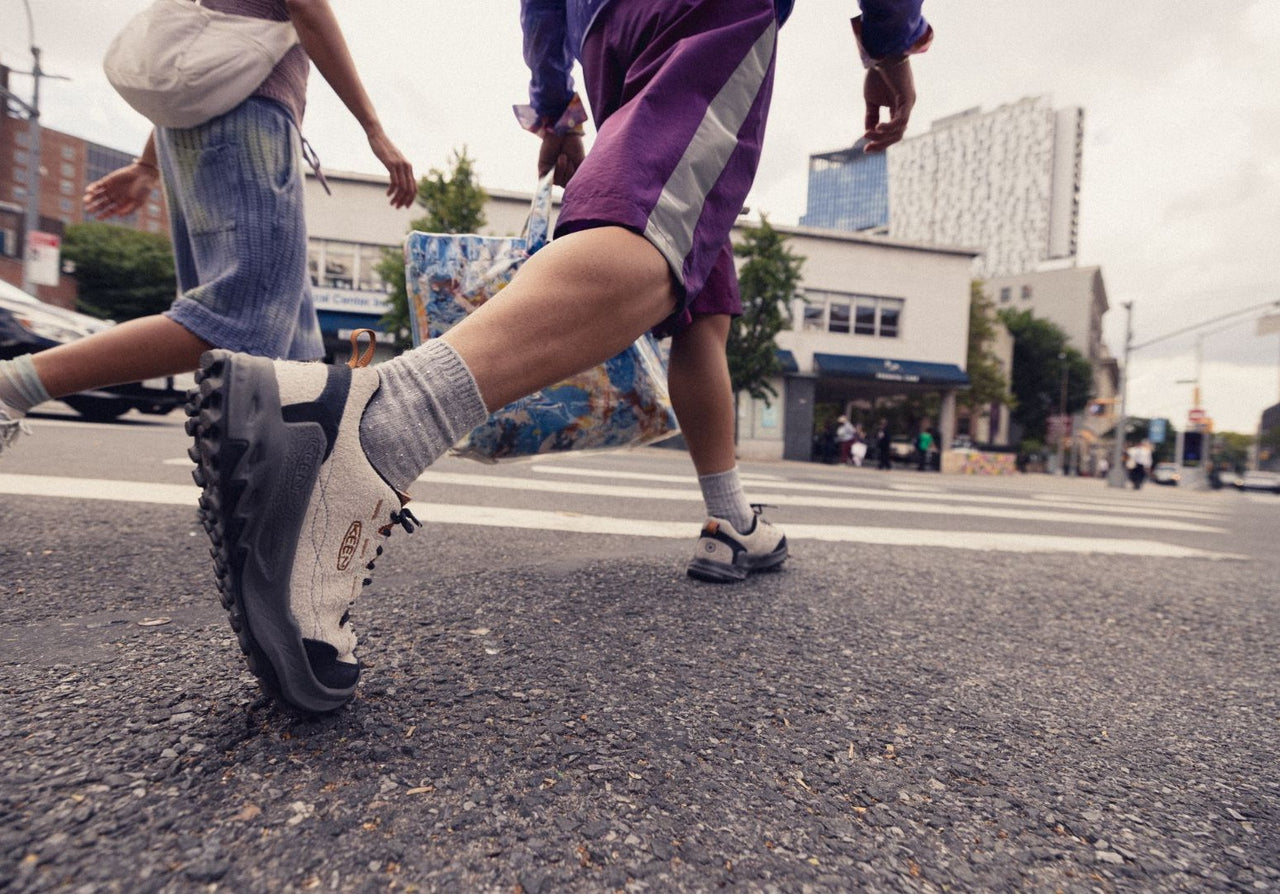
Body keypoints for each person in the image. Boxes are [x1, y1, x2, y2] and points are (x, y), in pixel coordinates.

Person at [184, 0, 933, 713]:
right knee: (657, 239)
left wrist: (554, 105)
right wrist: (891, 40)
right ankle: (378, 425)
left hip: (605, 32)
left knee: (698, 289)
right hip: (709, 12)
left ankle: (730, 517)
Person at [0, 0, 416, 454]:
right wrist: (373, 128)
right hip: (247, 126)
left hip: (206, 127)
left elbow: (199, 64)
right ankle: (14, 384)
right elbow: (306, 7)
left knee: (287, 342)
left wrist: (146, 164)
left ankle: (268, 482)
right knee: (239, 319)